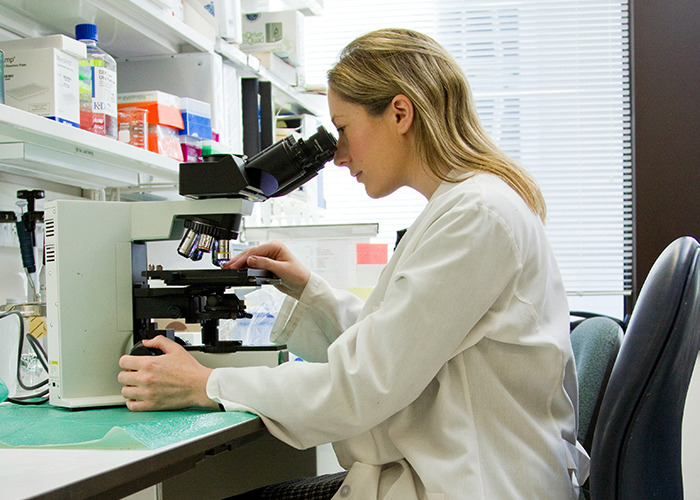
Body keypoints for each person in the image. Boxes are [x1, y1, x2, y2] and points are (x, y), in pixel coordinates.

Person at [119, 28, 589, 499]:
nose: (339, 155)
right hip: (456, 466)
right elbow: (399, 344)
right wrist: (311, 291)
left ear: (400, 113)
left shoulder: (475, 217)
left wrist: (207, 384)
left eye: (343, 130)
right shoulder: (468, 207)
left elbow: (361, 386)